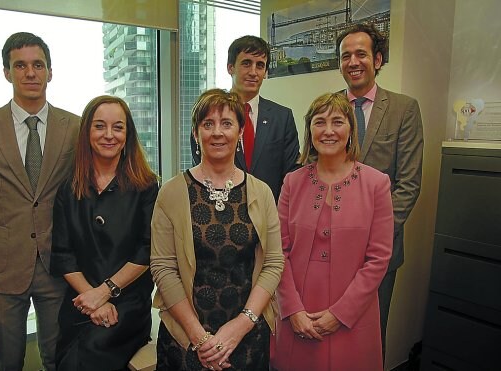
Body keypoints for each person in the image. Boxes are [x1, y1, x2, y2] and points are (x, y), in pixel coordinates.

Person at [0, 32, 80, 371]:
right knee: (8, 361)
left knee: (58, 357)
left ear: (49, 72)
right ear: (7, 73)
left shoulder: (75, 127)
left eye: (37, 65)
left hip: (57, 267)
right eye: (20, 65)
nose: (30, 73)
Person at [151, 88, 284, 370]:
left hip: (247, 336)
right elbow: (163, 268)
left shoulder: (261, 192)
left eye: (226, 123)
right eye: (207, 124)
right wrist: (200, 339)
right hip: (186, 340)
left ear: (239, 132)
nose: (217, 132)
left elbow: (273, 263)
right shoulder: (171, 193)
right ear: (196, 133)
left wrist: (241, 324)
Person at [271, 93, 394, 371]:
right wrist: (292, 310)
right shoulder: (292, 182)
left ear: (350, 130)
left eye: (337, 122)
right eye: (319, 122)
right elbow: (279, 251)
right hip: (299, 313)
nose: (328, 131)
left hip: (353, 316)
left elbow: (378, 259)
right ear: (309, 130)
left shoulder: (377, 184)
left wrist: (340, 314)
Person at [50, 95, 159, 370]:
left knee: (89, 356)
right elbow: (64, 255)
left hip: (127, 304)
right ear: (87, 132)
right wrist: (94, 298)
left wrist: (106, 291)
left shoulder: (146, 187)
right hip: (81, 299)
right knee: (64, 359)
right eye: (100, 126)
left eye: (118, 127)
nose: (109, 135)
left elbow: (146, 251)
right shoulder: (68, 189)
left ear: (128, 134)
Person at [336, 23, 424, 357]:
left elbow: (409, 185)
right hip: (329, 248)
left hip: (379, 252)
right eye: (346, 56)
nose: (353, 61)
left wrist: (372, 236)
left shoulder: (404, 109)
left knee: (370, 336)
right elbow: (312, 176)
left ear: (378, 59)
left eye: (361, 53)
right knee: (329, 336)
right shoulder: (326, 109)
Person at [191, 35, 299, 202]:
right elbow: (201, 167)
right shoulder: (209, 116)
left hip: (268, 215)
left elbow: (291, 175)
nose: (253, 72)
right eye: (246, 63)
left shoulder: (282, 118)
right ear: (230, 67)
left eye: (260, 65)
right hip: (218, 211)